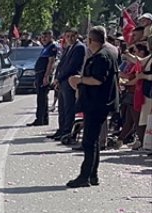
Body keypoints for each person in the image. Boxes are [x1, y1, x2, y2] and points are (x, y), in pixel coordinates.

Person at [66, 27, 118, 188]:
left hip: (97, 103)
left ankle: (85, 175)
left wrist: (79, 80)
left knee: (89, 141)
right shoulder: (103, 54)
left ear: (91, 40)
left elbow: (97, 80)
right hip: (96, 102)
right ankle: (92, 174)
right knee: (92, 140)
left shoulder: (102, 56)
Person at [50, 29, 85, 140]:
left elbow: (72, 67)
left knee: (68, 107)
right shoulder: (68, 47)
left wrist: (60, 78)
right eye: (67, 36)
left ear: (76, 36)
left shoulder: (79, 47)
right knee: (62, 108)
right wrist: (57, 79)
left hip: (70, 80)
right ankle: (61, 129)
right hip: (63, 81)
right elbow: (61, 64)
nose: (69, 38)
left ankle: (67, 131)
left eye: (71, 36)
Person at [31, 30, 59, 126]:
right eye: (42, 37)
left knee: (41, 98)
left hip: (44, 74)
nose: (43, 39)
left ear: (51, 37)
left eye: (46, 37)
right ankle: (43, 119)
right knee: (41, 97)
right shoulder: (45, 47)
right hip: (40, 74)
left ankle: (40, 119)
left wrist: (46, 76)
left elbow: (51, 62)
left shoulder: (52, 47)